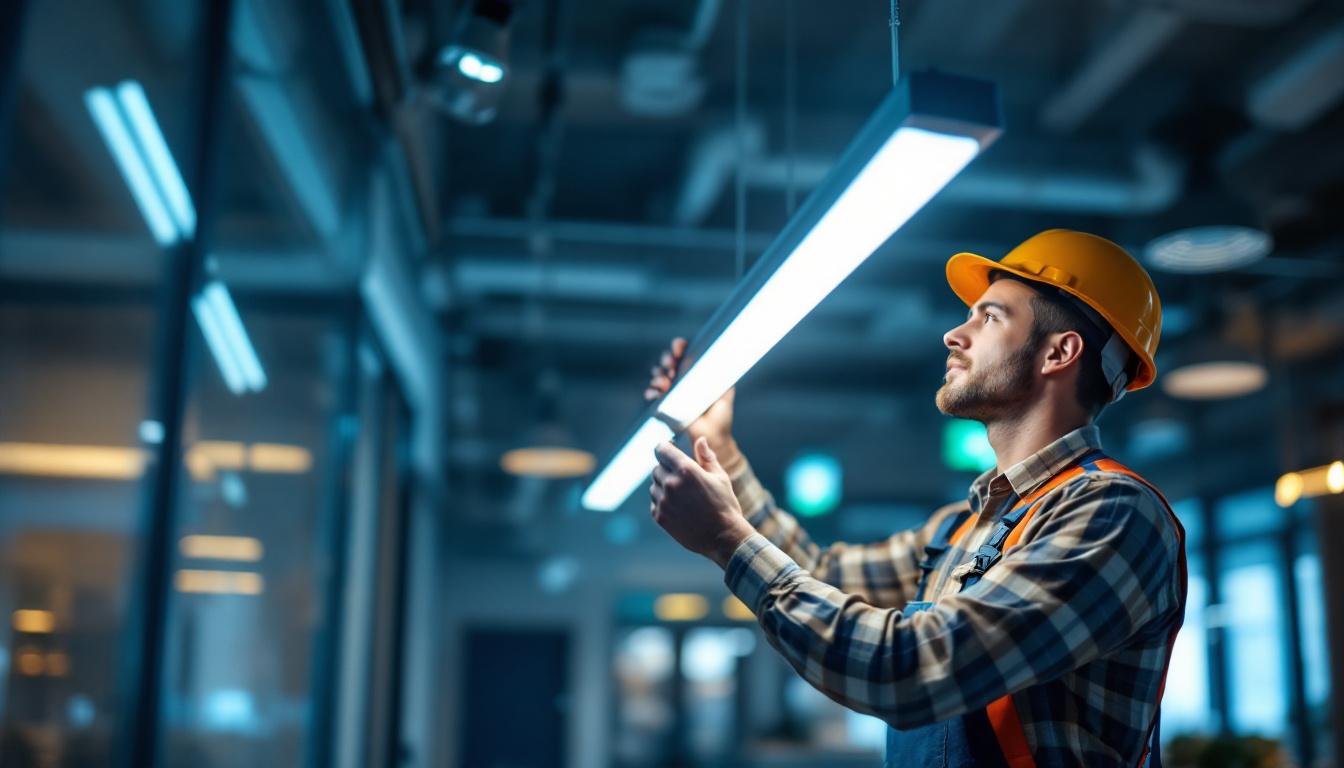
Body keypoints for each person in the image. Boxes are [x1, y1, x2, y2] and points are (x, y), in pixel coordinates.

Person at [644, 229, 1187, 768]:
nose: (953, 334)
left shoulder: (1113, 513)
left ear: (1059, 352)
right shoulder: (960, 528)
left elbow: (910, 670)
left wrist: (727, 540)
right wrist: (718, 447)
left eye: (989, 318)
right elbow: (816, 572)